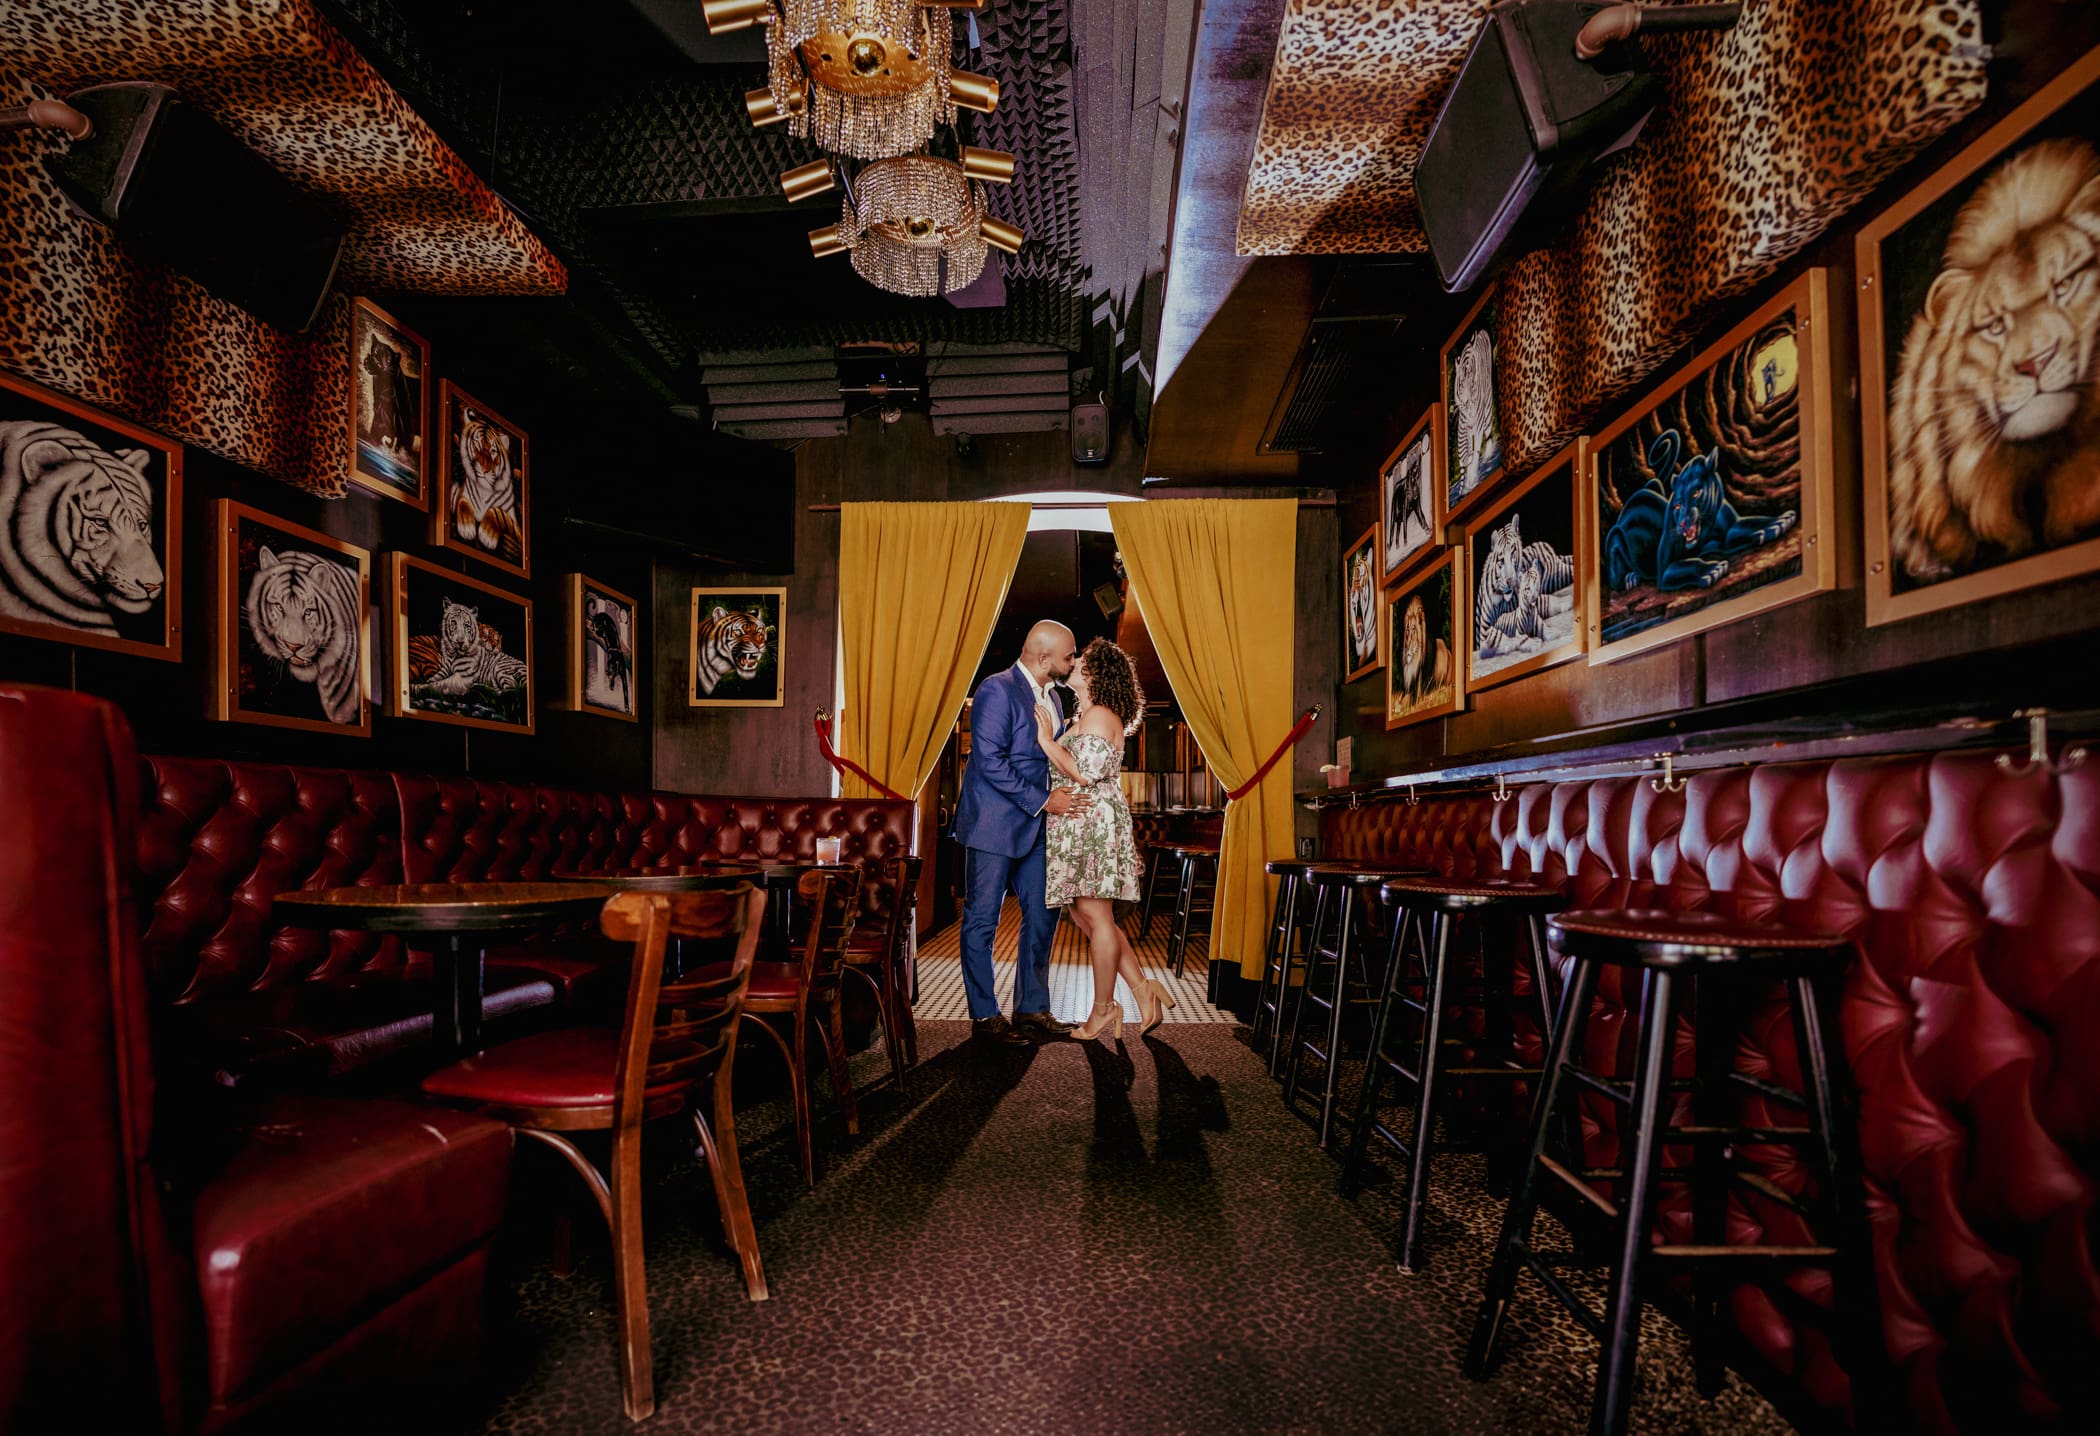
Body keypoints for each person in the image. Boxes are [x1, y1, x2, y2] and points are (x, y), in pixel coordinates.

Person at [949, 621, 1092, 1046]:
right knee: (982, 921)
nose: (1073, 662)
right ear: (1044, 659)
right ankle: (985, 1016)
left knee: (1043, 915)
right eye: (1069, 656)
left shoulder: (1057, 698)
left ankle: (1031, 1007)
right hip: (992, 825)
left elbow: (1049, 754)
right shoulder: (996, 689)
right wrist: (1045, 801)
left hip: (1037, 828)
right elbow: (990, 761)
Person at [1034, 636, 1174, 1042]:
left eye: (1082, 660)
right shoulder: (1087, 715)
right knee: (1089, 916)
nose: (1074, 662)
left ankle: (1103, 1008)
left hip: (1092, 823)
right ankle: (1143, 990)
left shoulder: (1099, 715)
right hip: (1080, 823)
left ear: (1095, 674)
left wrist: (1045, 742)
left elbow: (1084, 773)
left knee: (1095, 917)